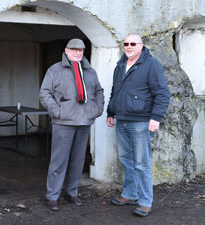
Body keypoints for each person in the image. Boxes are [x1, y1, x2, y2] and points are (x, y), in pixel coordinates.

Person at [106, 33, 170, 217]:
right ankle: (129, 194)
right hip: (122, 120)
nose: (129, 46)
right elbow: (115, 91)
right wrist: (111, 112)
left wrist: (155, 117)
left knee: (142, 163)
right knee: (126, 160)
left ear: (141, 46)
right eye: (126, 43)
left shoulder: (151, 65)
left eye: (133, 43)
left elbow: (162, 93)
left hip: (141, 122)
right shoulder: (120, 65)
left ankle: (145, 202)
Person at [40, 38, 104, 211]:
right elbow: (45, 93)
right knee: (58, 161)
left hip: (84, 122)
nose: (78, 53)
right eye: (74, 50)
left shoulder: (89, 71)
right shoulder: (55, 70)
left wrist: (97, 109)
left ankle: (72, 192)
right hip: (64, 122)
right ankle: (53, 196)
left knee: (78, 160)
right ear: (66, 51)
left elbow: (98, 91)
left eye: (81, 50)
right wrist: (57, 111)